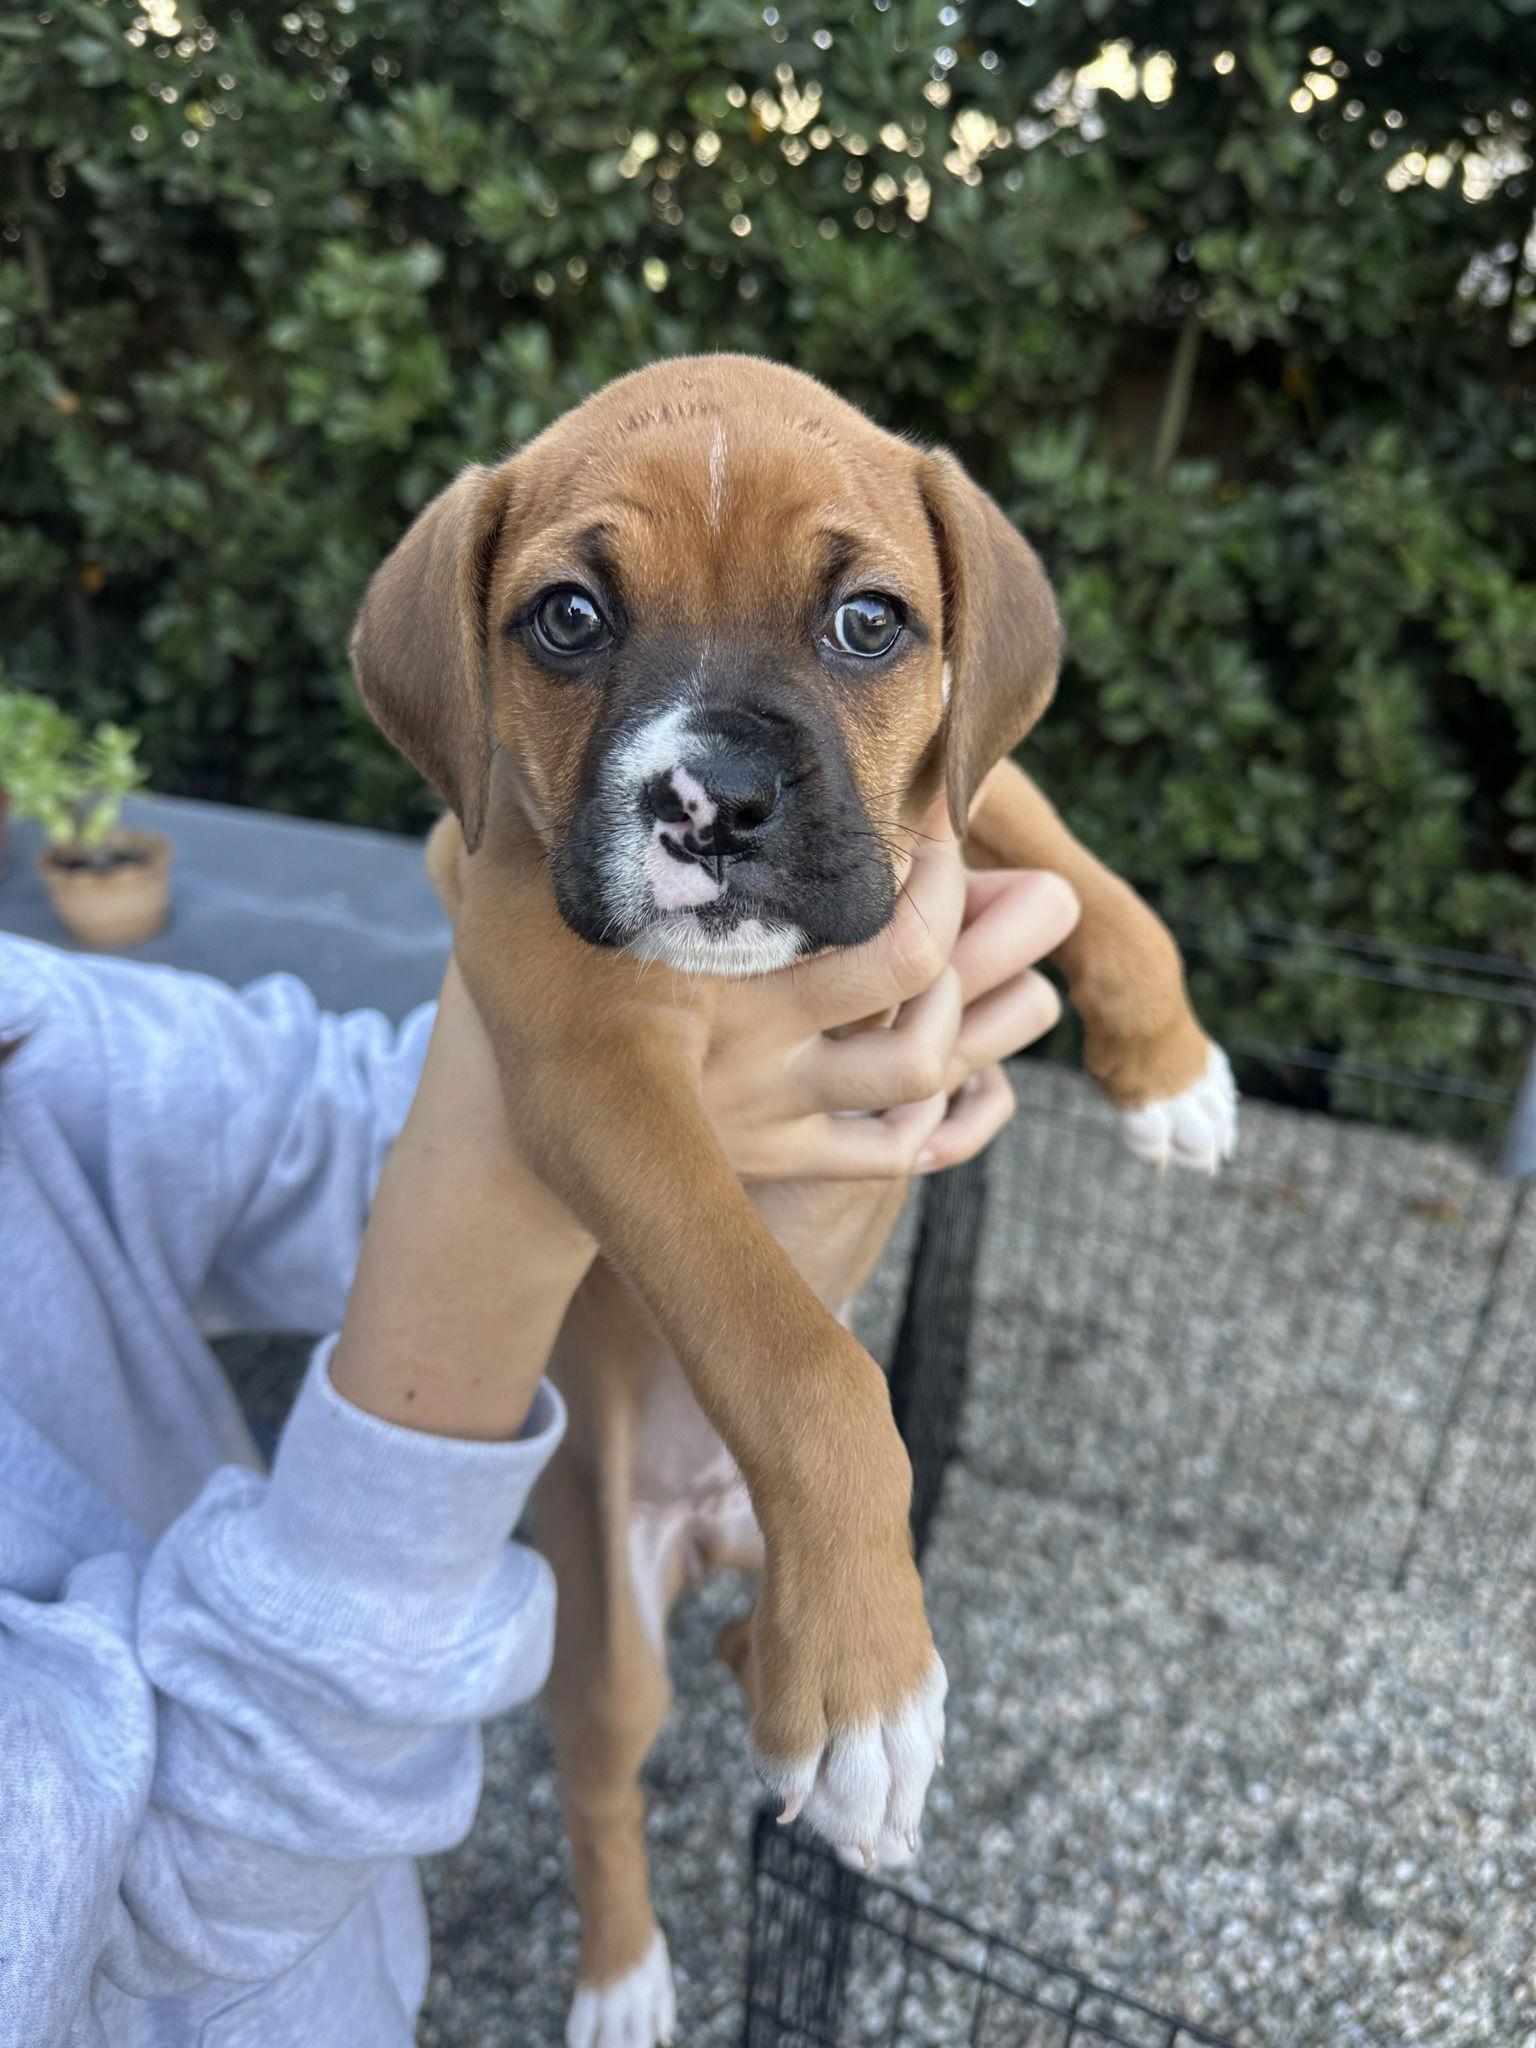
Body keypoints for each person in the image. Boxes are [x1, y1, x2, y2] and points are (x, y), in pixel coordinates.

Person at [0, 815, 1078, 2048]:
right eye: (569, 613)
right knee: (612, 1705)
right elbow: (147, 1890)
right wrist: (561, 1123)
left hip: (344, 1881)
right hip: (274, 1971)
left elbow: (298, 1111)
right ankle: (609, 1881)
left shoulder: (25, 1019)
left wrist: (696, 1077)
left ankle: (757, 1639)